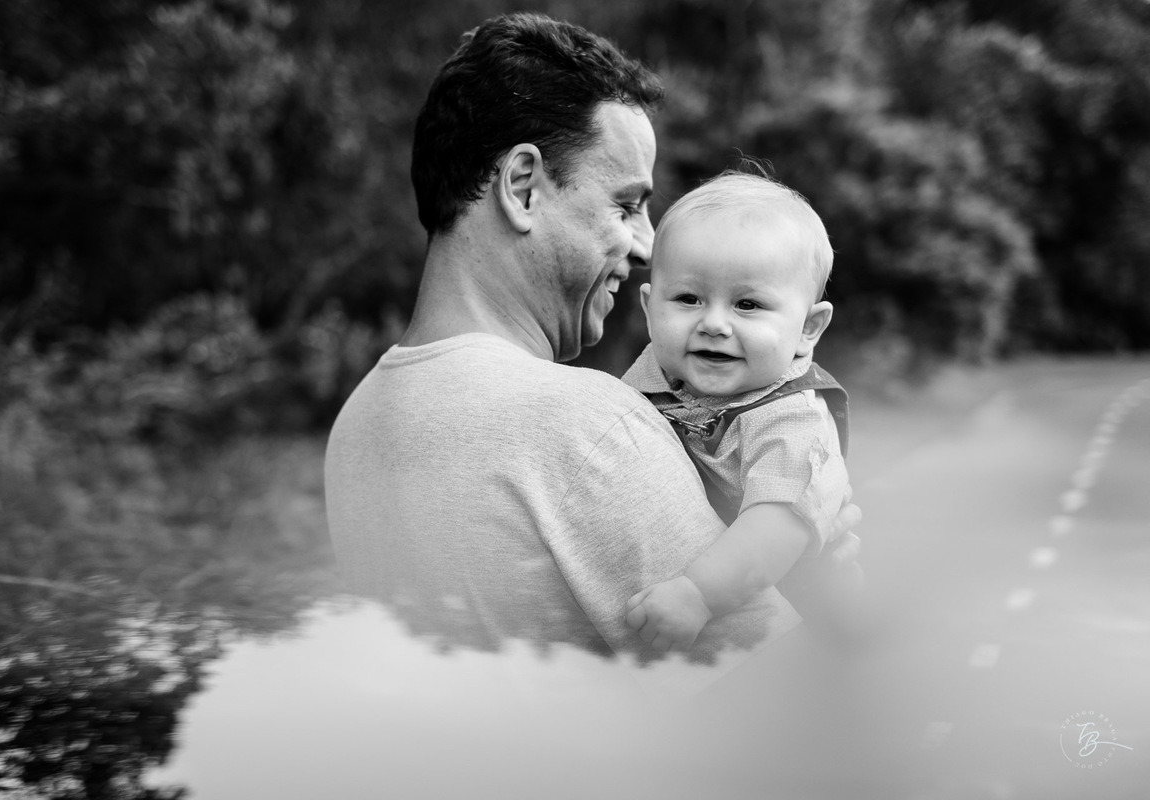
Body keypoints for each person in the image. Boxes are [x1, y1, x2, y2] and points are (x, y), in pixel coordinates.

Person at [324, 12, 861, 664]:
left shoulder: (355, 428)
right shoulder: (586, 427)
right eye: (627, 204)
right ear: (523, 187)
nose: (647, 244)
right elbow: (785, 717)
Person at [623, 171, 857, 651]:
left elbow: (776, 526)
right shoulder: (651, 375)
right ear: (649, 309)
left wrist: (697, 596)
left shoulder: (793, 419)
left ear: (808, 328)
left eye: (747, 305)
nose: (713, 323)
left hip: (804, 618)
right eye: (688, 299)